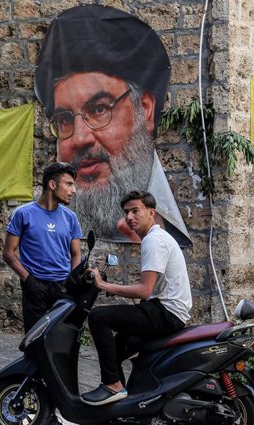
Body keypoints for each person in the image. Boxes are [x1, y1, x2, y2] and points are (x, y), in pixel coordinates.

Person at [34, 5, 191, 247]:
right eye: (64, 119)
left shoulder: (162, 237)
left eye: (99, 109)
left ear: (146, 110)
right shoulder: (45, 220)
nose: (79, 139)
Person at [81, 191, 192, 406]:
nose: (130, 217)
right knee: (118, 347)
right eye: (126, 212)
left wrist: (104, 285)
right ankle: (120, 403)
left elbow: (144, 290)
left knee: (98, 317)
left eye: (135, 211)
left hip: (166, 313)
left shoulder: (154, 240)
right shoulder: (155, 238)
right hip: (163, 310)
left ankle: (112, 385)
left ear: (151, 212)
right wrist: (113, 288)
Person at [3, 162, 82, 425]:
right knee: (36, 351)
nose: (73, 190)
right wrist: (29, 280)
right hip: (35, 290)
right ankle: (37, 409)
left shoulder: (70, 218)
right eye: (68, 184)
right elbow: (9, 253)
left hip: (61, 294)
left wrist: (73, 282)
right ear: (52, 184)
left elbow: (76, 254)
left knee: (59, 353)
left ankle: (56, 410)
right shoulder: (23, 214)